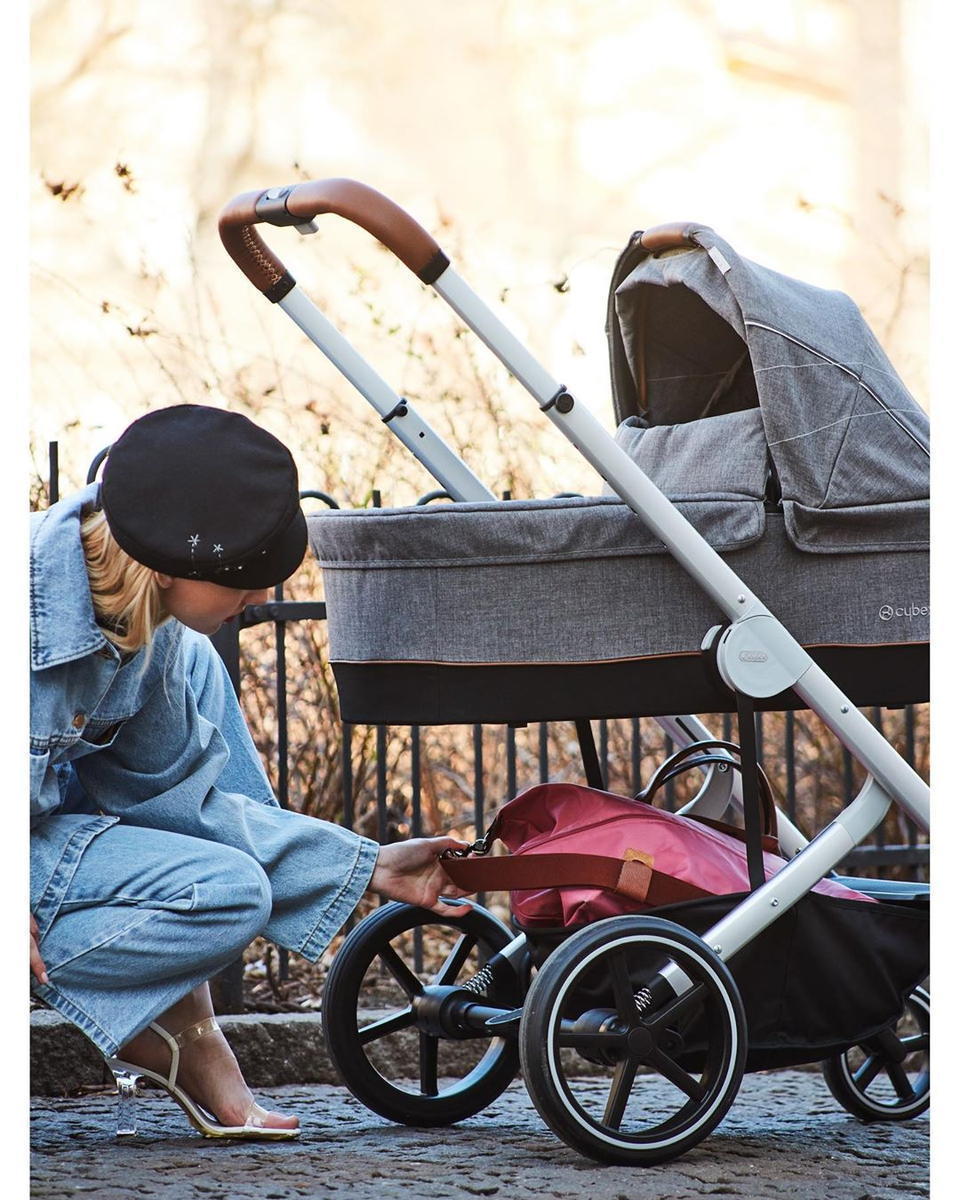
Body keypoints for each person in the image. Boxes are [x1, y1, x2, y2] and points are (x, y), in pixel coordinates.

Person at [29, 404, 472, 1139]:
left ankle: (191, 1032)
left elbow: (180, 804)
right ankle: (163, 1028)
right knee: (228, 892)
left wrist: (369, 865)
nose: (263, 598)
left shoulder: (145, 633)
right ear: (165, 564)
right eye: (248, 576)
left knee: (196, 667)